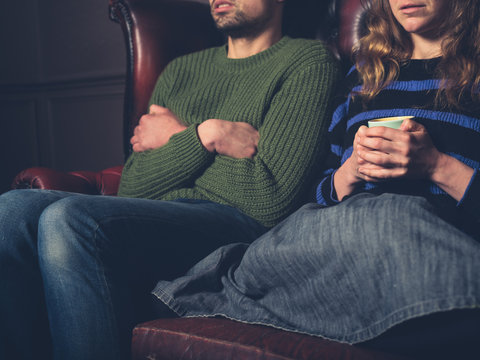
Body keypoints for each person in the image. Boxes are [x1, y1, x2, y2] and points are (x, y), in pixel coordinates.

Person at [0, 0, 339, 359]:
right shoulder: (181, 70)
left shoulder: (308, 62)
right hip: (153, 216)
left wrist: (174, 137)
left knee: (69, 220)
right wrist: (205, 136)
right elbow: (133, 185)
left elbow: (269, 198)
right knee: (10, 212)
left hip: (236, 226)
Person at [149, 0, 480, 359]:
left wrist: (436, 166)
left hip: (420, 240)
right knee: (269, 249)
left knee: (393, 215)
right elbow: (318, 193)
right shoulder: (364, 76)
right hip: (338, 242)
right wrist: (350, 171)